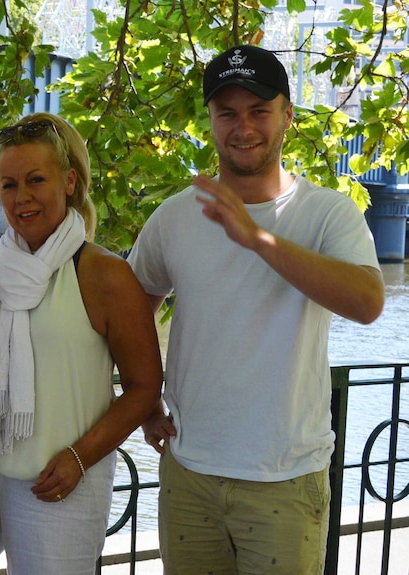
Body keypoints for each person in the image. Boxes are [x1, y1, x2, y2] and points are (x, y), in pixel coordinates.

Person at [127, 45, 385, 573]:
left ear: (288, 115)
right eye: (227, 113)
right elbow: (132, 310)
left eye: (259, 110)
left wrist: (258, 238)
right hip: (189, 473)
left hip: (286, 479)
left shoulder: (328, 213)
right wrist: (144, 399)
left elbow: (367, 303)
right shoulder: (175, 216)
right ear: (211, 121)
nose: (243, 127)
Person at [0, 112, 164, 575]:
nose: (21, 197)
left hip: (63, 478)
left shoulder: (106, 275)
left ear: (68, 182)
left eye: (35, 180)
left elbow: (145, 387)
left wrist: (78, 458)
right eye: (8, 184)